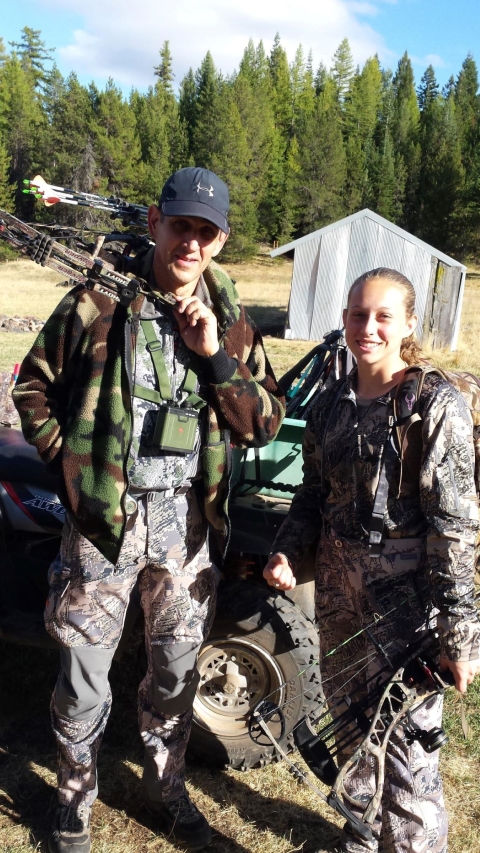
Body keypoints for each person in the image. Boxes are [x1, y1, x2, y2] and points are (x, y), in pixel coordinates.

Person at [13, 166, 285, 853]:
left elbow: (265, 424)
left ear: (219, 240)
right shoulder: (98, 303)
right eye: (180, 226)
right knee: (83, 681)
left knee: (175, 675)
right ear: (155, 223)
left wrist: (216, 359)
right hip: (103, 529)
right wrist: (75, 476)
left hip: (186, 537)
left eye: (205, 231)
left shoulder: (231, 323)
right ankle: (73, 808)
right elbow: (32, 389)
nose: (190, 243)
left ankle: (169, 796)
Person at [263, 268, 480, 853]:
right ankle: (360, 838)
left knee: (408, 752)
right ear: (344, 319)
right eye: (358, 314)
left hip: (407, 613)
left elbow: (455, 528)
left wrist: (459, 636)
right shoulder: (333, 402)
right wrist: (289, 548)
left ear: (408, 323)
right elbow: (312, 494)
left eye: (384, 315)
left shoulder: (434, 405)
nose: (369, 327)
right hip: (337, 602)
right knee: (354, 735)